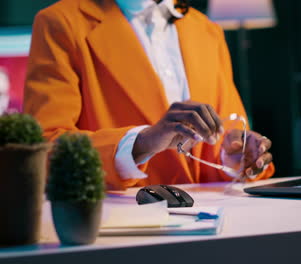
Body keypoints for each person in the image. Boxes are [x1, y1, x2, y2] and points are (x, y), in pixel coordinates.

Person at [24, 0, 274, 190]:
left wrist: (232, 159)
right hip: (120, 234)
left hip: (213, 229)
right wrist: (143, 142)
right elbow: (43, 151)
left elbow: (222, 143)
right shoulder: (61, 23)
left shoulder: (207, 30)